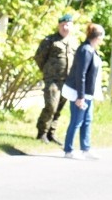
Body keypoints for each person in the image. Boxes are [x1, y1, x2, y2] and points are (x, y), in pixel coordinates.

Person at [62, 22, 105, 160]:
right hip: (79, 93)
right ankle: (69, 150)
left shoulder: (91, 49)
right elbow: (81, 74)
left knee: (87, 120)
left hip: (87, 94)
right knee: (76, 121)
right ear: (98, 37)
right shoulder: (85, 50)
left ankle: (86, 149)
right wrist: (80, 97)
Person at [34, 14, 78, 145]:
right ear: (58, 26)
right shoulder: (50, 40)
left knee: (59, 108)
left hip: (68, 81)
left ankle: (51, 133)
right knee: (51, 106)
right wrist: (47, 71)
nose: (65, 27)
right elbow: (39, 57)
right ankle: (42, 132)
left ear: (72, 26)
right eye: (62, 24)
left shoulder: (74, 42)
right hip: (53, 80)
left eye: (68, 24)